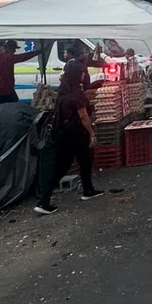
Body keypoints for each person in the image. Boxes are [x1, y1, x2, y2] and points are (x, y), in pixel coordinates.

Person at [34, 67, 103, 215]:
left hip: (63, 135)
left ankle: (88, 189)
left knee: (83, 161)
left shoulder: (63, 93)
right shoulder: (76, 95)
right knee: (66, 166)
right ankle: (44, 201)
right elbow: (83, 116)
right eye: (81, 74)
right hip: (76, 134)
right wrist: (92, 133)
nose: (83, 76)